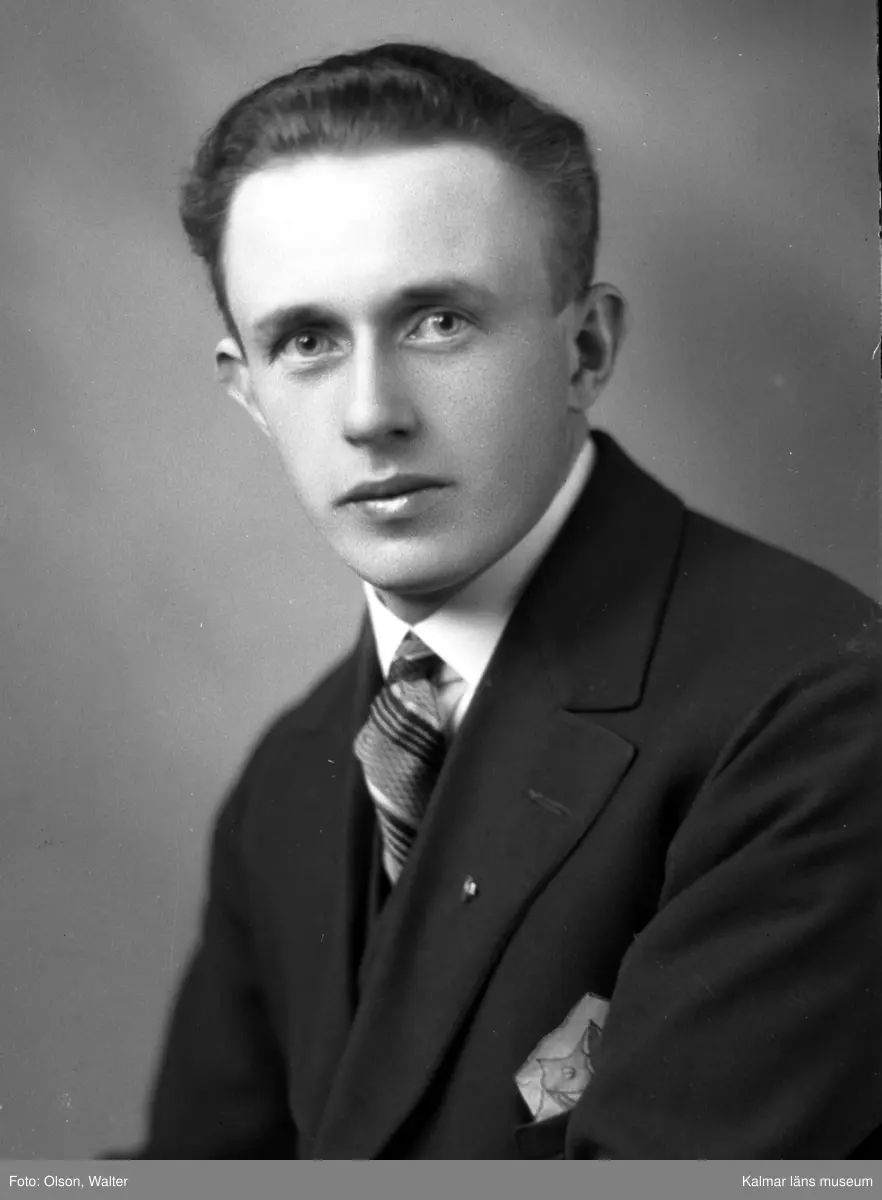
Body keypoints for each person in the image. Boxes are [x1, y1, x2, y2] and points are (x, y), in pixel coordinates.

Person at [140, 42, 882, 1159]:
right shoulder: (292, 775)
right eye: (306, 341)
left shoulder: (818, 714)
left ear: (586, 349)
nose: (371, 413)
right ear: (248, 393)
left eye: (438, 321)